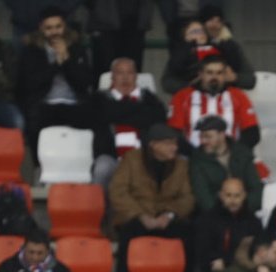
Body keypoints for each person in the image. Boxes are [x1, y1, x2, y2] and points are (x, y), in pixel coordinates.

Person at [109, 123, 196, 272]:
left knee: (189, 234)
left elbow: (188, 197)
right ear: (154, 145)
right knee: (128, 234)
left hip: (167, 218)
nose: (175, 148)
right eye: (169, 143)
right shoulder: (131, 160)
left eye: (175, 143)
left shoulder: (182, 165)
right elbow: (118, 191)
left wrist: (169, 215)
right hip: (138, 217)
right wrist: (141, 215)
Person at [16, 7, 95, 160]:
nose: (54, 32)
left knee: (91, 119)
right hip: (44, 105)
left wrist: (66, 60)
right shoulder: (32, 51)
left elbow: (84, 83)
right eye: (49, 28)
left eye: (58, 27)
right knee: (35, 123)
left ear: (64, 27)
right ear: (41, 29)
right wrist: (55, 64)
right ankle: (40, 167)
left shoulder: (76, 49)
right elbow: (31, 84)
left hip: (73, 104)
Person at [90, 57, 168, 187]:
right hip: (111, 156)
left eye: (130, 73)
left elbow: (159, 119)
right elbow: (102, 116)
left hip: (144, 156)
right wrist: (140, 111)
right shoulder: (99, 98)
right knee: (102, 168)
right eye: (120, 73)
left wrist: (116, 112)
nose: (125, 77)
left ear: (136, 76)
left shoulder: (150, 98)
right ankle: (98, 206)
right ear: (113, 77)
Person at [167, 55, 260, 150]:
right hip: (193, 158)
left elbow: (252, 133)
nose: (214, 77)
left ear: (225, 75)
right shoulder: (182, 97)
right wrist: (195, 155)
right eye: (209, 73)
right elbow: (174, 133)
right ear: (201, 74)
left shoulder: (238, 96)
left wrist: (233, 154)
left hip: (229, 158)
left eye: (219, 73)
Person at [196, 178, 263, 272]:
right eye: (228, 195)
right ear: (221, 195)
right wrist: (214, 260)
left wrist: (227, 261)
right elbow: (202, 250)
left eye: (237, 196)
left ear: (244, 196)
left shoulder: (253, 222)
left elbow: (256, 249)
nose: (233, 200)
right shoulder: (208, 220)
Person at [188, 114, 263, 214]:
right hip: (214, 217)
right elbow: (203, 197)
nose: (203, 141)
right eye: (201, 137)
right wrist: (224, 216)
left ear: (222, 134)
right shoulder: (197, 159)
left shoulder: (242, 153)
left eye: (208, 136)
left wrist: (242, 209)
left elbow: (256, 188)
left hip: (245, 213)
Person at [161, 19, 254, 95]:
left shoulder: (225, 50)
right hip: (190, 100)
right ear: (185, 37)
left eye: (202, 30)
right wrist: (191, 87)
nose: (200, 34)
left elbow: (250, 80)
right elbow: (167, 83)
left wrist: (234, 78)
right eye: (195, 31)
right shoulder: (179, 56)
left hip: (224, 98)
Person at [85, 0, 155, 83]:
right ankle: (102, 96)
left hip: (135, 24)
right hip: (104, 24)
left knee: (132, 71)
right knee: (104, 73)